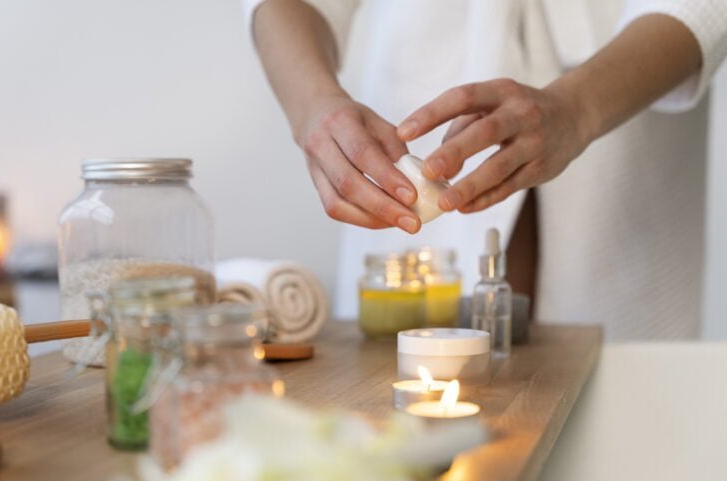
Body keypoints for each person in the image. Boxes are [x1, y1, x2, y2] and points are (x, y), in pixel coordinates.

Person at [243, 0, 727, 339]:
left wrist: (580, 108)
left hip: (627, 90)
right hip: (420, 98)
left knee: (618, 435)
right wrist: (312, 103)